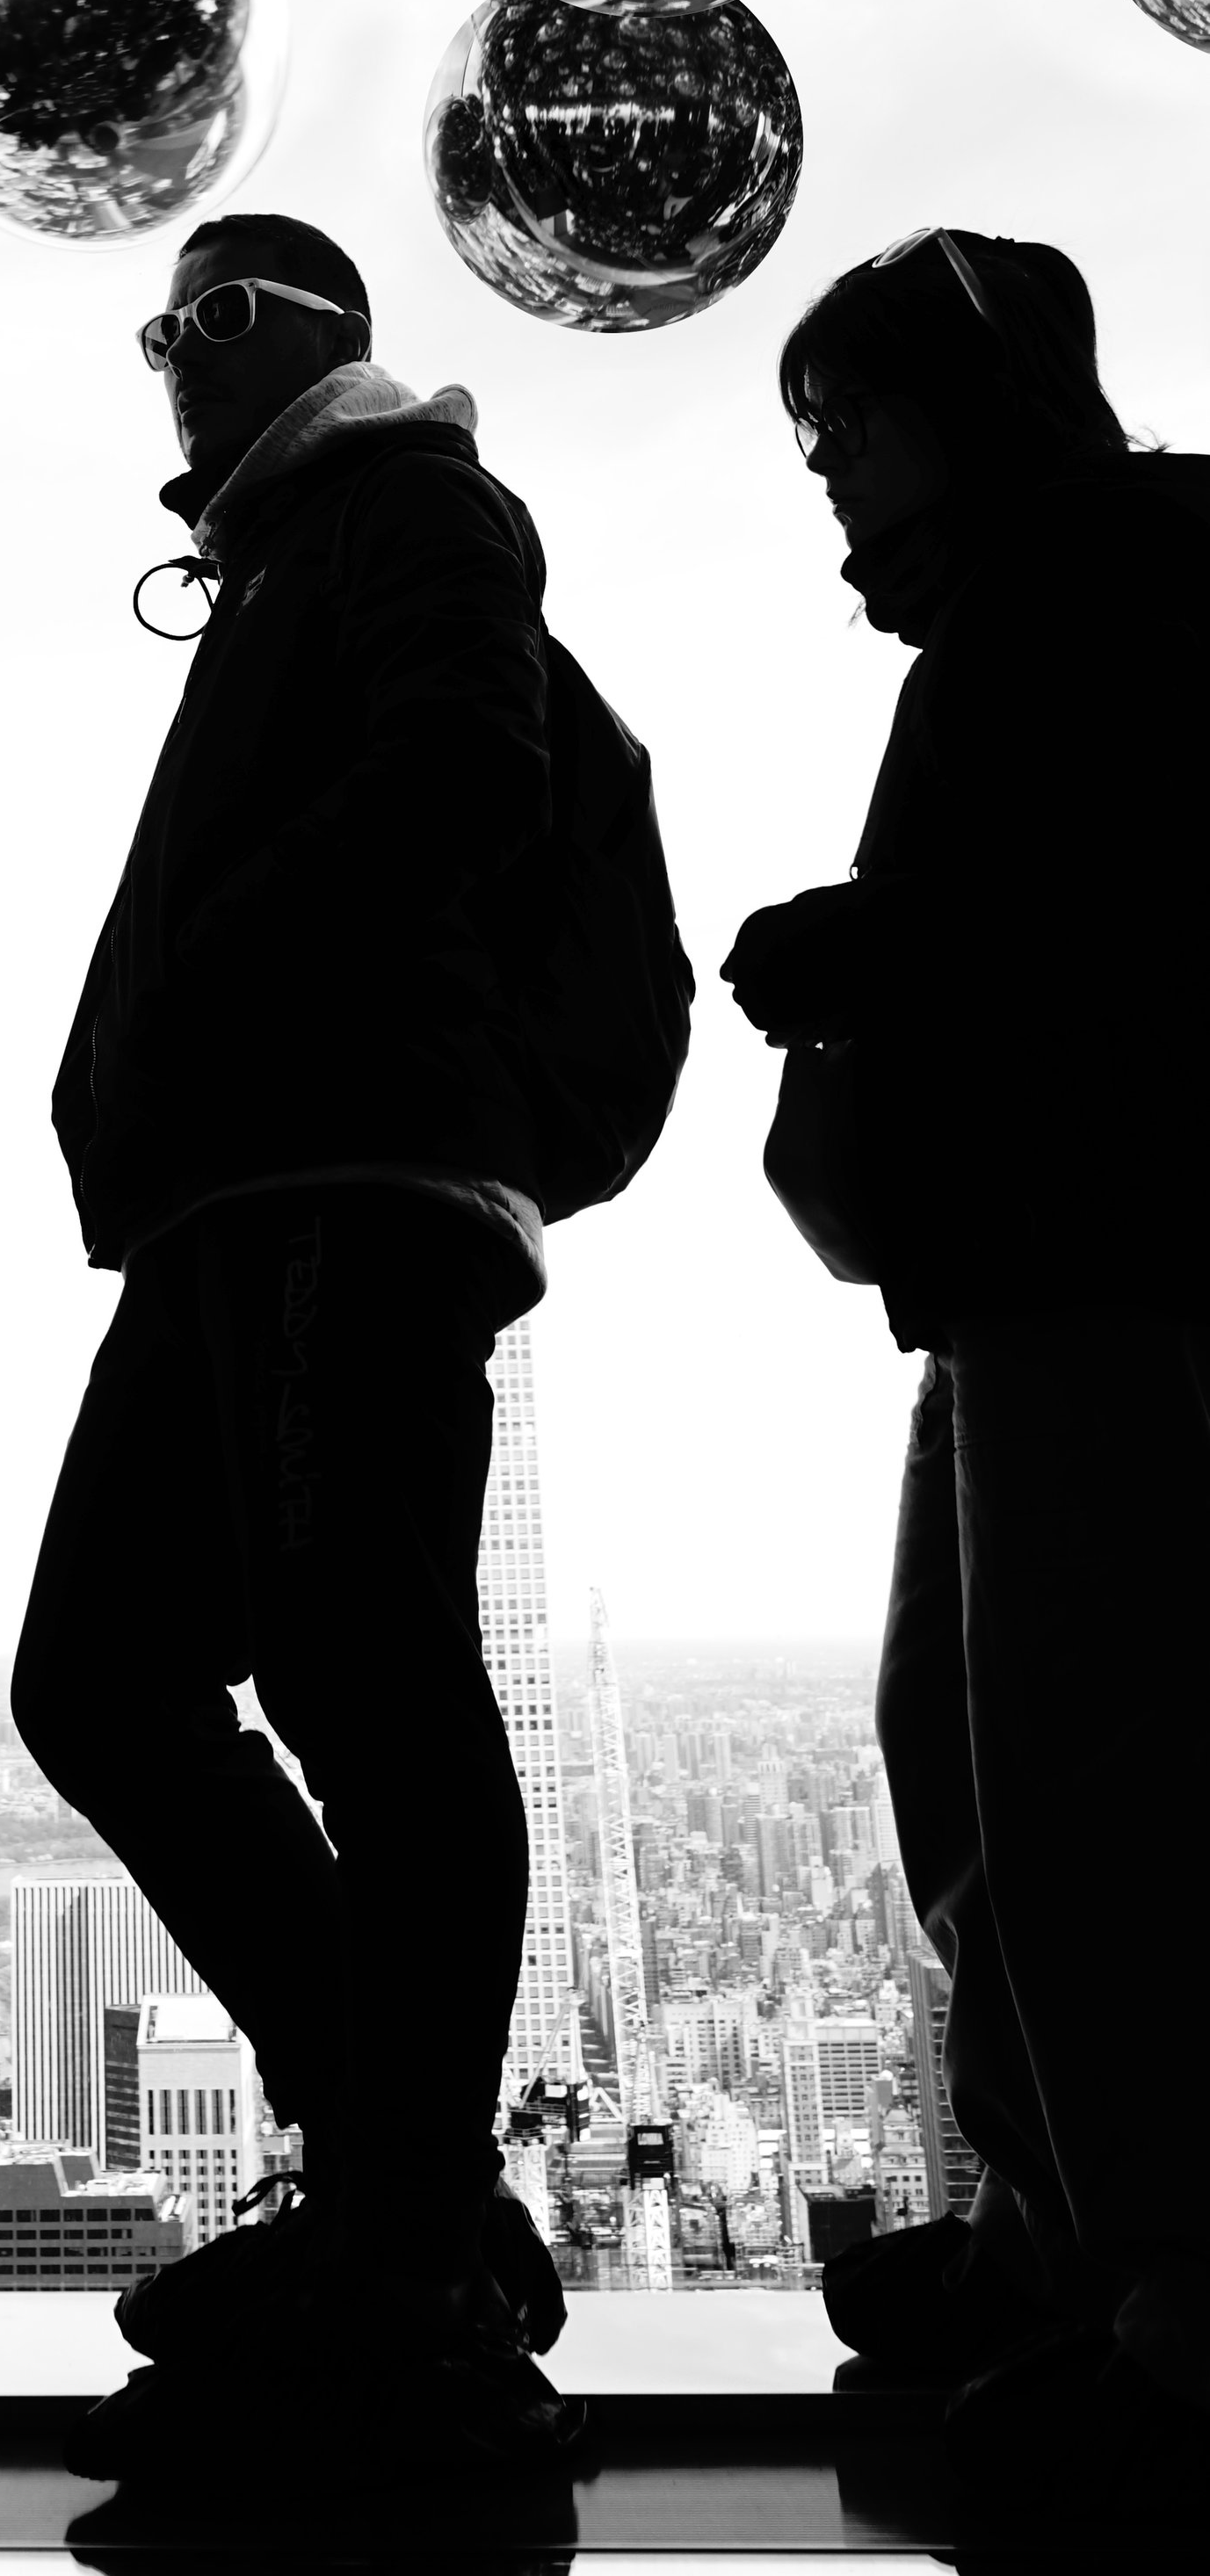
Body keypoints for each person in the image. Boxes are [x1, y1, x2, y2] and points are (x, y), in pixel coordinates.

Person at [11, 213, 580, 2483]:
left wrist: (223, 966)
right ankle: (404, 2191)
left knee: (364, 1674)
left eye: (193, 319)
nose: (162, 359)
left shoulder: (406, 504)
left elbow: (466, 764)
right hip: (237, 1189)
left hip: (340, 1162)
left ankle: (401, 2234)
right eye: (157, 326)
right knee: (105, 1674)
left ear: (279, 335)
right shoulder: (287, 555)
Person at [722, 227, 1210, 2505]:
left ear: (963, 404)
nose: (836, 513)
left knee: (1093, 1788)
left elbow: (1133, 912)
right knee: (980, 1753)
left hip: (1115, 1265)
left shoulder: (1120, 579)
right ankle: (1062, 2238)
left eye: (850, 444)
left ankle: (1176, 2311)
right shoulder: (1063, 592)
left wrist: (866, 949)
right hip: (1021, 1273)